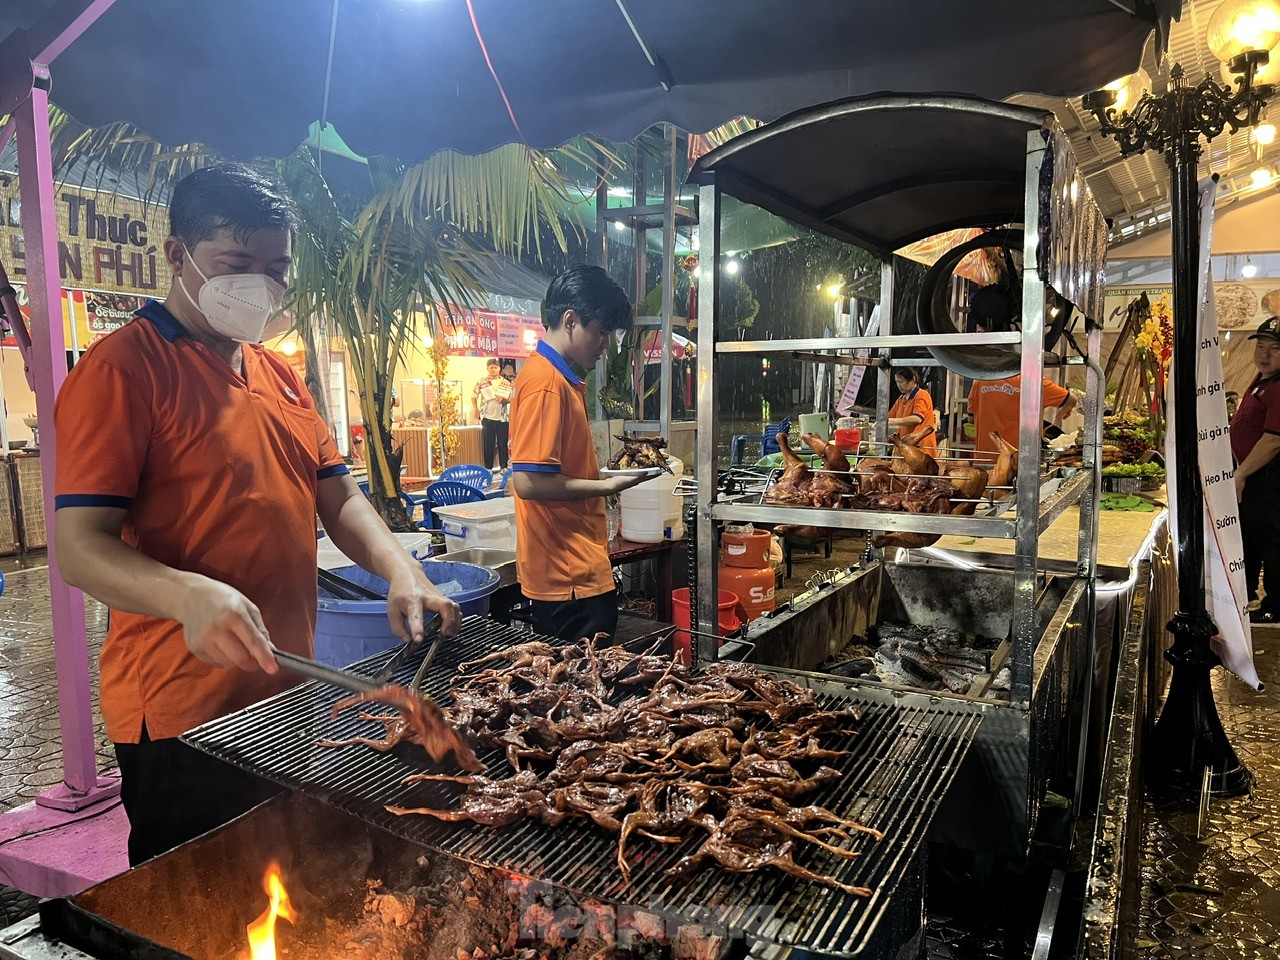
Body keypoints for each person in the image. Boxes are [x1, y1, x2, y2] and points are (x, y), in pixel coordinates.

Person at [52, 163, 462, 866]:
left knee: (282, 888)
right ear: (177, 255)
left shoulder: (277, 372)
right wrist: (186, 593)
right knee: (196, 905)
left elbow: (337, 494)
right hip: (181, 713)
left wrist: (401, 570)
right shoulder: (124, 370)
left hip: (282, 696)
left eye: (276, 268)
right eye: (236, 264)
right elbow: (78, 547)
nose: (261, 286)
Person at [510, 266, 648, 642]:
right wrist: (605, 486)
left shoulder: (558, 379)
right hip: (568, 575)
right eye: (600, 332)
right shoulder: (546, 384)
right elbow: (528, 481)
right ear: (570, 320)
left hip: (573, 569)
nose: (605, 345)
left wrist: (604, 480)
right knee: (583, 687)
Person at [1232, 316, 1280, 624]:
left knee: (1273, 542)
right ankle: (1247, 594)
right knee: (1251, 537)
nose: (1263, 354)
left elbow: (1274, 440)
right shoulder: (1263, 379)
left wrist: (1240, 474)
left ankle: (1276, 604)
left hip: (1271, 478)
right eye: (1260, 346)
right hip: (1255, 477)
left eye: (1274, 349)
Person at [966, 374, 1076, 462]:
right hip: (1020, 462)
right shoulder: (1034, 381)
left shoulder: (981, 381)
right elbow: (1071, 399)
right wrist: (1064, 411)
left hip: (985, 459)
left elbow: (971, 419)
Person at [887, 367, 938, 457]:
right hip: (906, 446)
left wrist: (894, 421)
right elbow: (889, 417)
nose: (899, 385)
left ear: (913, 380)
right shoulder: (901, 398)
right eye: (897, 382)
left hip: (921, 447)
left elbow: (917, 418)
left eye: (901, 382)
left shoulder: (922, 395)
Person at [473, 358, 511, 469]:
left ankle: (503, 467)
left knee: (502, 444)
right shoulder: (482, 382)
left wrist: (504, 400)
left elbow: (510, 398)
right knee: (488, 444)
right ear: (487, 368)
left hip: (503, 419)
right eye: (491, 367)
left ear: (499, 369)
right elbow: (473, 395)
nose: (493, 369)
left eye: (496, 367)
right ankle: (488, 469)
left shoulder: (505, 383)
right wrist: (476, 409)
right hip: (488, 418)